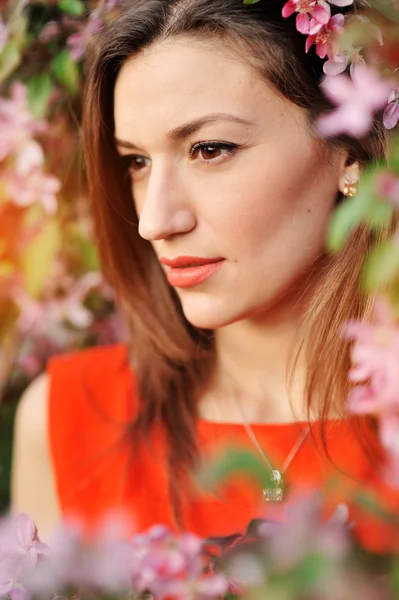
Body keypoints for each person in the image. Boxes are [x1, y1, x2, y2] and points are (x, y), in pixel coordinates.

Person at [11, 0, 399, 548]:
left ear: (350, 152)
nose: (153, 222)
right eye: (136, 162)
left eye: (209, 149)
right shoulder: (65, 421)